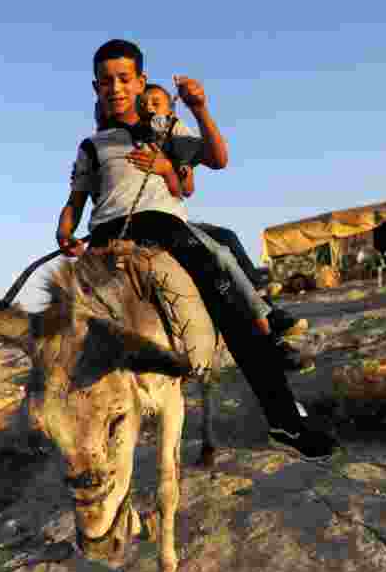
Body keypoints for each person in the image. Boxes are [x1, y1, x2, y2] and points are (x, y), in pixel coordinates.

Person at [57, 39, 337, 458]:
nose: (115, 89)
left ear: (141, 81)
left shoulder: (167, 127)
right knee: (62, 326)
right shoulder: (92, 147)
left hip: (164, 225)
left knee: (224, 288)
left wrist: (199, 108)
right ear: (95, 87)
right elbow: (75, 202)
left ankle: (283, 419)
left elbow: (218, 159)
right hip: (104, 234)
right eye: (105, 82)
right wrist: (64, 232)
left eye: (124, 79)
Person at [90, 84, 311, 362]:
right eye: (105, 116)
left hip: (164, 219)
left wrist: (170, 167)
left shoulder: (163, 135)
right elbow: (91, 199)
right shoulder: (97, 149)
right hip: (117, 226)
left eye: (154, 103)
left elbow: (187, 187)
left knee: (222, 249)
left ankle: (267, 326)